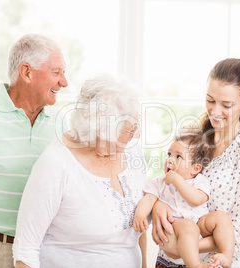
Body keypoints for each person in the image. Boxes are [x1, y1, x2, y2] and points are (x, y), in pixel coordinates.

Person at [12, 75, 148, 268]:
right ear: (104, 129)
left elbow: (138, 231)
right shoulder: (55, 163)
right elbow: (25, 250)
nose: (137, 134)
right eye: (130, 129)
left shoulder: (131, 149)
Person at [151, 58, 240, 267]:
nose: (215, 111)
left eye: (227, 105)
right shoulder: (193, 139)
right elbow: (167, 183)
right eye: (210, 100)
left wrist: (186, 246)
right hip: (171, 261)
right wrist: (158, 206)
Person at [0, 34, 68, 268]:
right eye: (56, 72)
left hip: (48, 251)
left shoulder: (63, 124)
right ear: (27, 72)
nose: (64, 82)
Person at [134, 129, 235, 268]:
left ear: (195, 168)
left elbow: (196, 199)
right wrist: (140, 215)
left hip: (200, 225)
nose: (170, 159)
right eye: (169, 154)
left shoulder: (200, 181)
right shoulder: (160, 181)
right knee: (188, 226)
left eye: (178, 157)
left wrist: (177, 180)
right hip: (175, 228)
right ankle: (196, 265)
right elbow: (148, 199)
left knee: (221, 217)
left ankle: (227, 254)